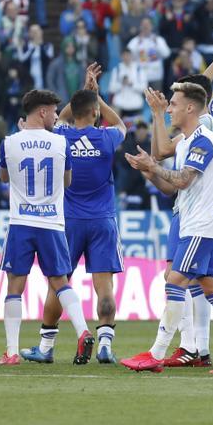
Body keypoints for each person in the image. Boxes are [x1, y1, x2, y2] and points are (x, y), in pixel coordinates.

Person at [119, 82, 213, 375]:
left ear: (190, 107)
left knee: (175, 281)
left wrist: (154, 167)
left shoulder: (204, 140)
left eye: (173, 104)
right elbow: (172, 188)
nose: (169, 109)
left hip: (201, 224)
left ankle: (156, 353)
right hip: (196, 222)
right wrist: (148, 172)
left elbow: (183, 180)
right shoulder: (185, 141)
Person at [0, 89, 95, 366]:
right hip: (52, 222)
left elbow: (4, 177)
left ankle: (12, 352)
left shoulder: (10, 142)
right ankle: (82, 329)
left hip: (21, 222)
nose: (55, 115)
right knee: (60, 283)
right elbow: (67, 181)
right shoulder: (61, 143)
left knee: (15, 287)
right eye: (53, 110)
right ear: (41, 112)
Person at [50, 64, 128, 364]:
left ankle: (47, 343)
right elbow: (121, 124)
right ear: (96, 113)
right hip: (102, 220)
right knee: (104, 287)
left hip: (69, 220)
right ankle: (106, 343)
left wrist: (84, 95)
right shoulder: (107, 139)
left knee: (59, 283)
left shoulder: (62, 137)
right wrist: (98, 99)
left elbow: (60, 117)